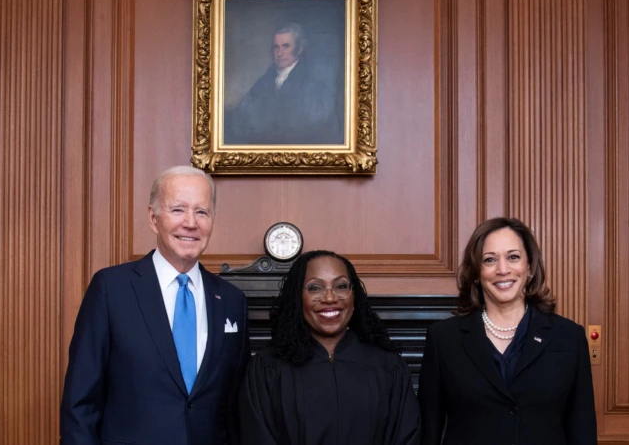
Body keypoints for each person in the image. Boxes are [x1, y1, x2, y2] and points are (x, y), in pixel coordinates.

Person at [60, 165, 250, 445]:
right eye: (177, 210)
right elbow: (81, 404)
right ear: (153, 218)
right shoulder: (112, 289)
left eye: (201, 212)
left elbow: (236, 409)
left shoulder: (232, 301)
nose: (190, 222)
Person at [417, 217, 597, 445]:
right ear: (476, 272)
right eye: (490, 260)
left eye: (513, 257)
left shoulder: (569, 337)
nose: (503, 270)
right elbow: (428, 432)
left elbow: (582, 431)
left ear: (529, 266)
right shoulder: (443, 339)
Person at [239, 250, 420, 444]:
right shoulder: (268, 369)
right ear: (297, 298)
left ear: (354, 296)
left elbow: (406, 437)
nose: (330, 297)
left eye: (341, 286)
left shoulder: (387, 367)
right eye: (315, 288)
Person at [225, 22, 343, 145]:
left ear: (299, 49)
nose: (279, 53)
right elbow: (238, 120)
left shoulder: (312, 85)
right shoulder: (264, 82)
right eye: (276, 47)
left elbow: (318, 128)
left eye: (286, 46)